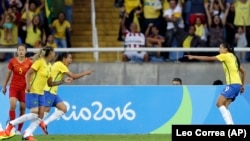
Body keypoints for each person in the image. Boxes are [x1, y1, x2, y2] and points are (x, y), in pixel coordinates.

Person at [3, 46, 72, 141]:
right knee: (35, 114)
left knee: (41, 116)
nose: (55, 54)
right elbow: (28, 74)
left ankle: (27, 134)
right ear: (49, 53)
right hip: (33, 91)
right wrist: (28, 85)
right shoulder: (40, 62)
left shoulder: (49, 66)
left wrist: (63, 81)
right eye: (53, 52)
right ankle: (12, 123)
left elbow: (50, 83)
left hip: (41, 93)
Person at [186, 42, 246, 125]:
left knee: (219, 103)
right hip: (237, 85)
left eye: (221, 48)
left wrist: (193, 57)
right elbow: (243, 72)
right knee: (224, 106)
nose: (219, 49)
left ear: (226, 49)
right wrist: (242, 85)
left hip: (232, 85)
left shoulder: (225, 55)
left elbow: (209, 58)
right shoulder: (234, 58)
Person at [40, 52, 93, 133]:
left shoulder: (58, 65)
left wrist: (64, 81)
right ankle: (28, 131)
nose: (71, 60)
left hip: (53, 92)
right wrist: (86, 73)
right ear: (64, 58)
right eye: (69, 58)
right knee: (43, 114)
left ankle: (45, 123)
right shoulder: (60, 64)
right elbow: (73, 76)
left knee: (63, 108)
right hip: (48, 91)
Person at [2, 44, 32, 135]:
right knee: (12, 105)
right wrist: (4, 86)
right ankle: (12, 127)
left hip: (24, 88)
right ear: (17, 51)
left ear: (26, 51)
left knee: (22, 108)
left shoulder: (29, 62)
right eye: (19, 50)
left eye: (23, 50)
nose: (21, 51)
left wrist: (29, 85)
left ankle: (19, 129)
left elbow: (31, 75)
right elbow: (8, 74)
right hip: (14, 86)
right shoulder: (12, 61)